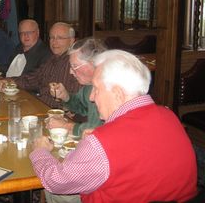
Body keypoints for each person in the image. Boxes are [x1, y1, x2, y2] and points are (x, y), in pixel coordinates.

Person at [30, 50, 197, 202]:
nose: (92, 98)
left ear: (117, 93)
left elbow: (56, 181)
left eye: (96, 89)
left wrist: (40, 151)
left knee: (55, 192)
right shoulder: (169, 116)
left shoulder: (102, 143)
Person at [0, 22, 79, 108]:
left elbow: (76, 100)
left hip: (55, 113)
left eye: (60, 38)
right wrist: (10, 81)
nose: (54, 42)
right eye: (52, 37)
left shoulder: (75, 63)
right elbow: (34, 78)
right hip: (40, 105)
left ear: (71, 41)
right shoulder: (51, 59)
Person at [47, 38, 105, 137]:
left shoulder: (107, 88)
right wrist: (66, 97)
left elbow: (95, 130)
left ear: (92, 62)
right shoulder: (89, 86)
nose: (70, 71)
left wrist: (66, 126)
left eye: (75, 66)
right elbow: (81, 105)